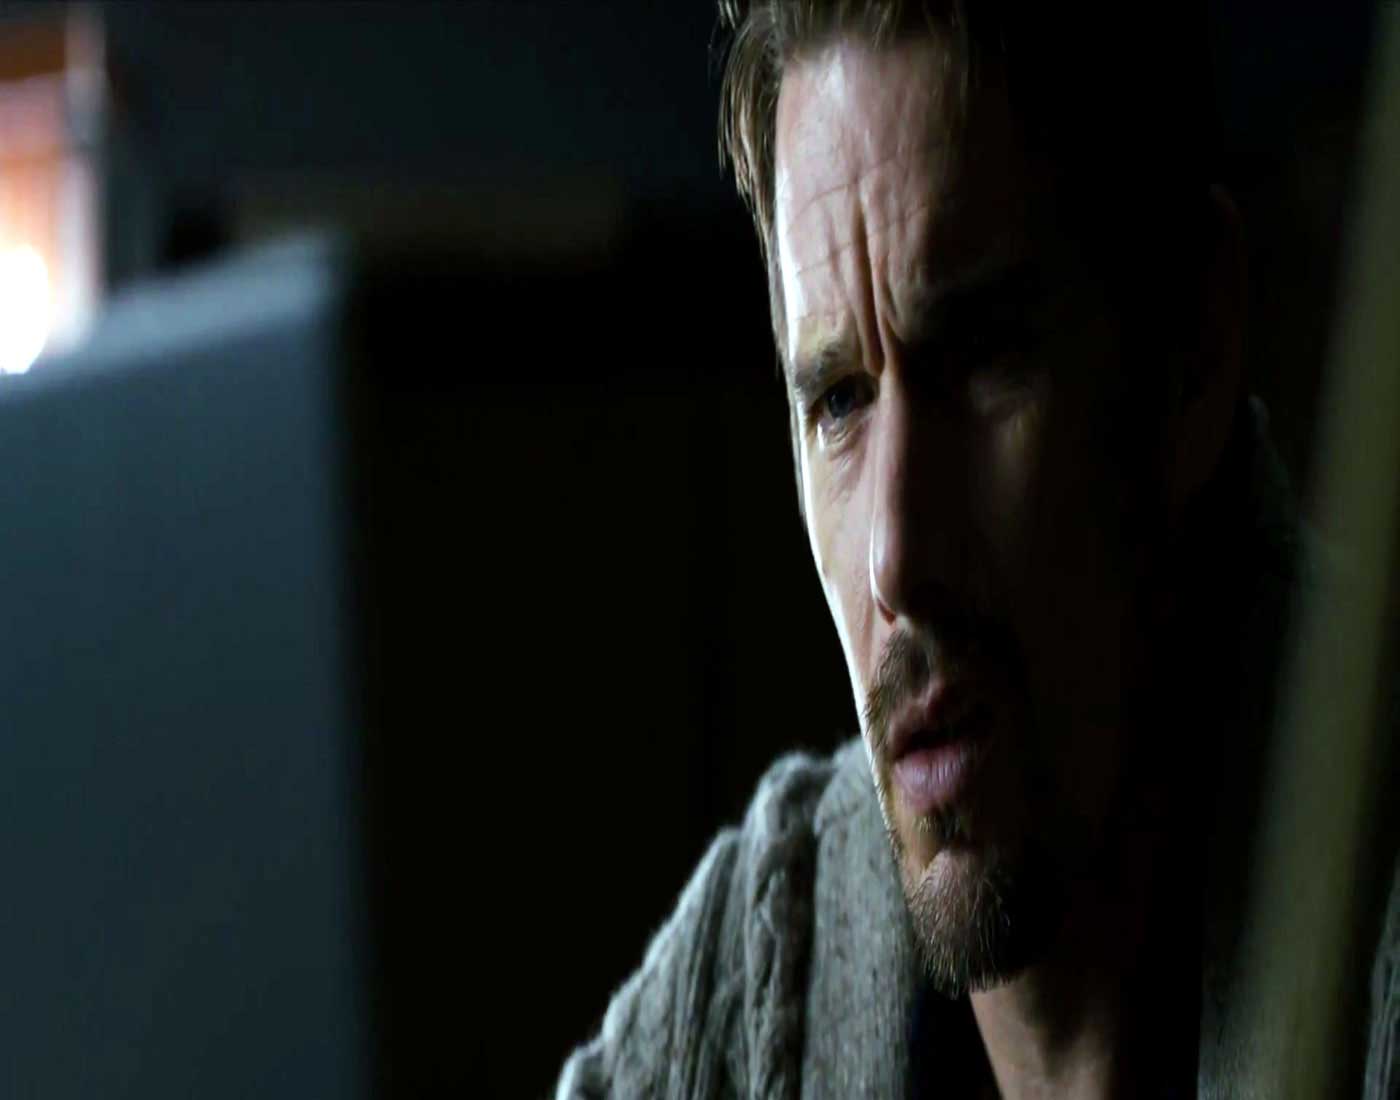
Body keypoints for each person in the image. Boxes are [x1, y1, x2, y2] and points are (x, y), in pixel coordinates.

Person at [558, 3, 1399, 1096]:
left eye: (981, 357)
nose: (896, 560)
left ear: (1190, 348)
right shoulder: (757, 982)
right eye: (839, 401)